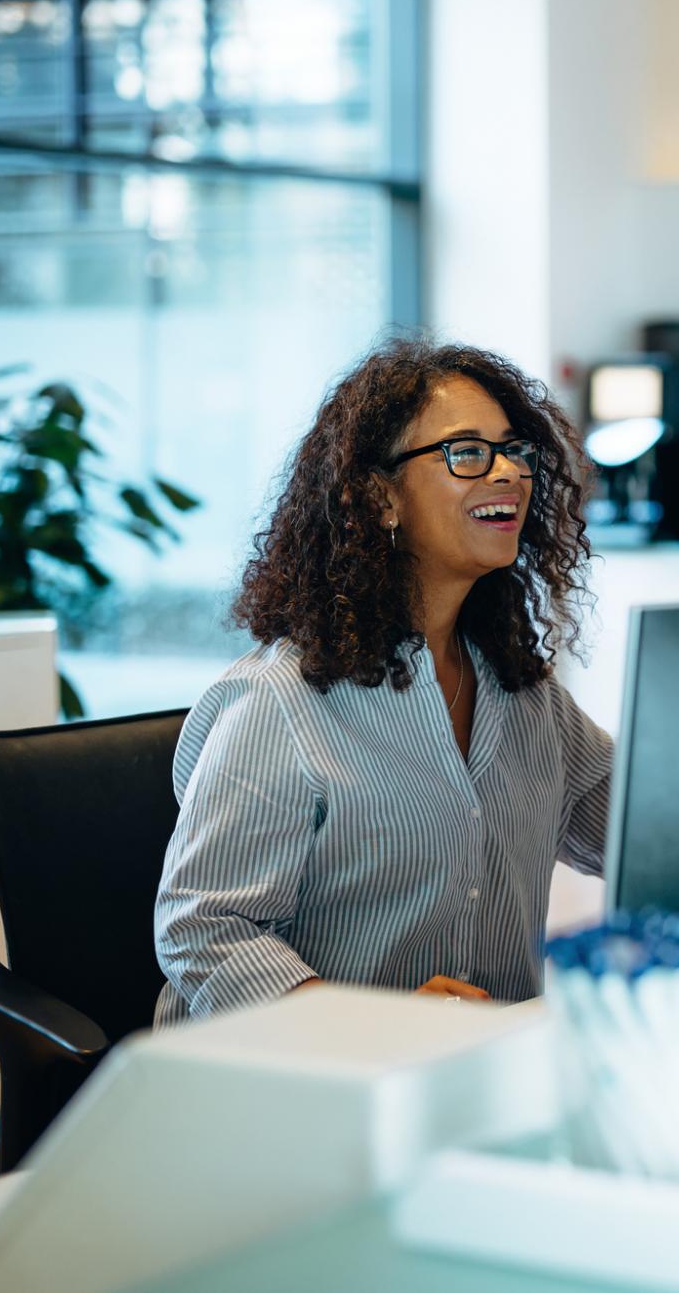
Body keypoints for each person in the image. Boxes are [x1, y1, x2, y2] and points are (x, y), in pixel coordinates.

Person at [153, 340, 612, 1024]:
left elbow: (646, 834)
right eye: (466, 453)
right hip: (311, 1089)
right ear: (378, 496)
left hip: (481, 1075)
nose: (509, 473)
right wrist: (372, 1026)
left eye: (516, 451)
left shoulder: (525, 695)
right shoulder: (281, 702)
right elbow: (205, 929)